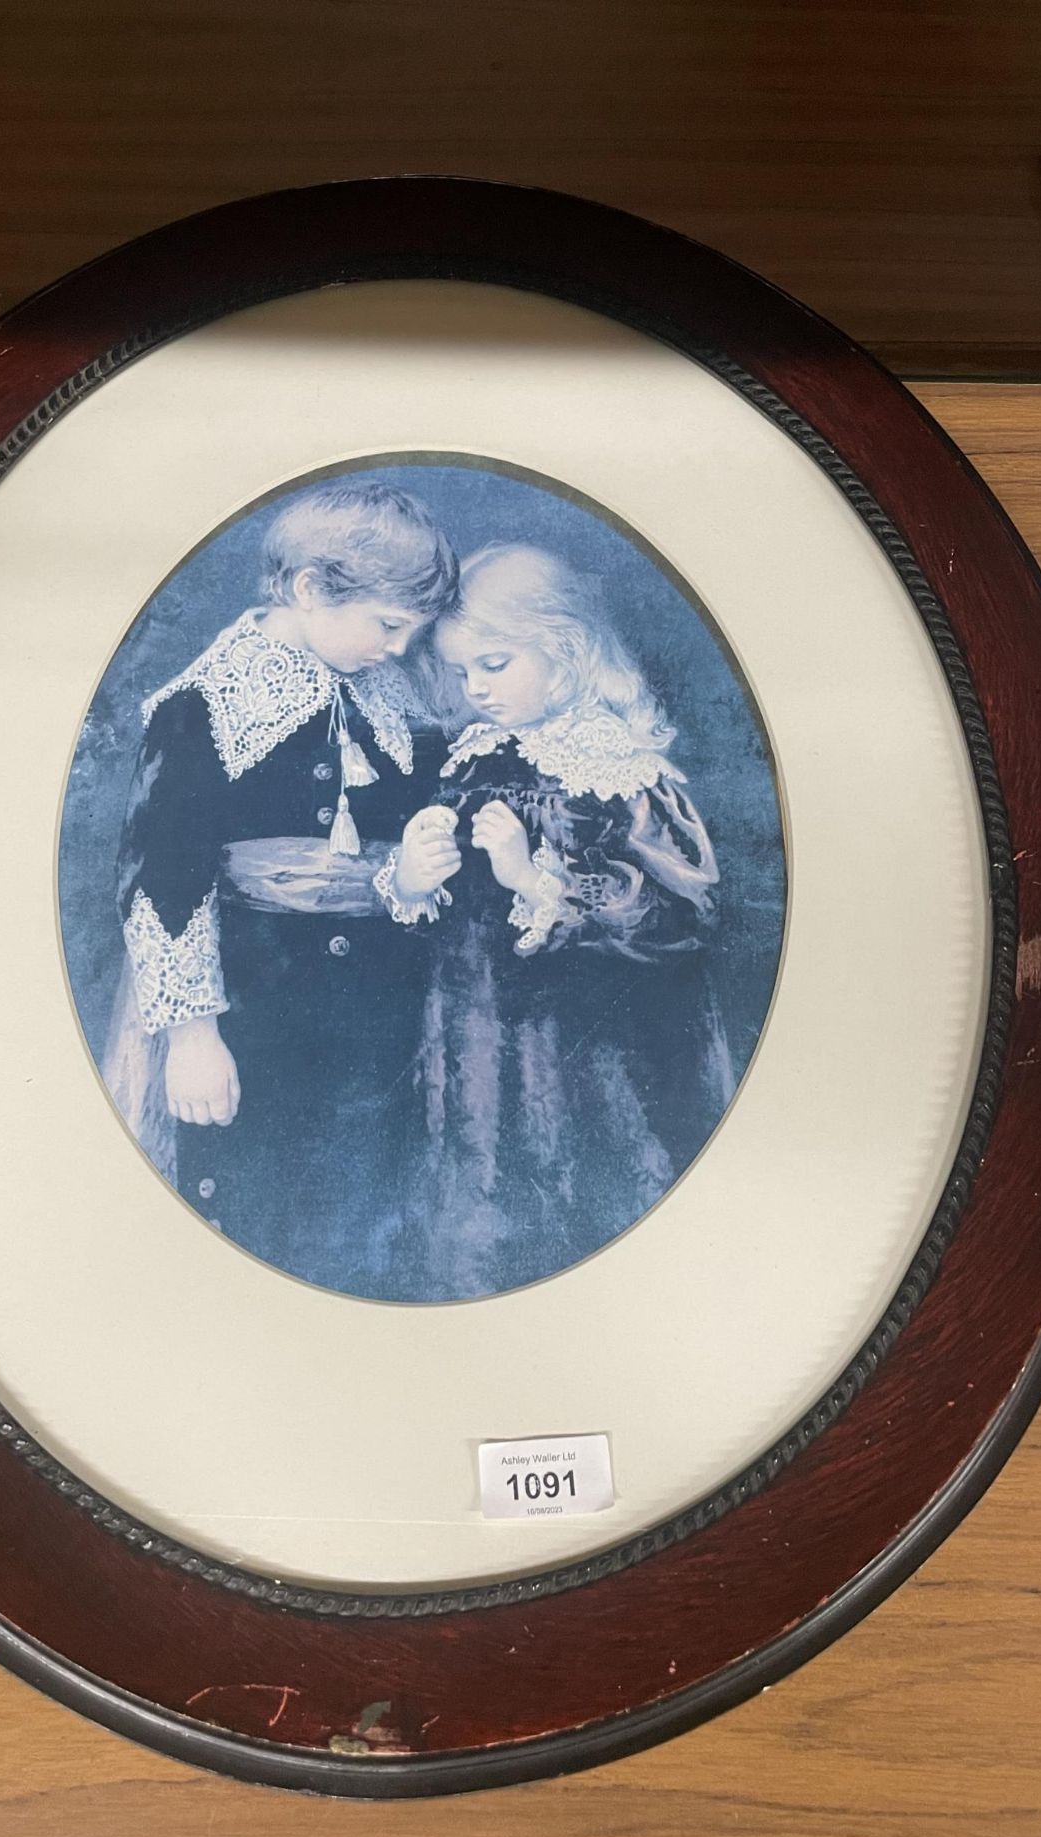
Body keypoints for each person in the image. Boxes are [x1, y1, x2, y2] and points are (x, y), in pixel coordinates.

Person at [103, 478, 461, 1295]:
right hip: (255, 1016)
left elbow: (416, 828)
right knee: (262, 1214)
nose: (400, 649)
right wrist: (193, 1037)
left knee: (372, 1216)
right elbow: (162, 875)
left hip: (380, 1015)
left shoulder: (390, 699)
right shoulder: (202, 706)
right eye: (389, 624)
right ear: (308, 590)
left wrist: (408, 872)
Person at [376, 543, 730, 1299]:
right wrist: (412, 876)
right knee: (474, 1227)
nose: (477, 691)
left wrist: (538, 880)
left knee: (587, 1224)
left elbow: (687, 913)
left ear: (567, 649)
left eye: (495, 665)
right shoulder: (474, 759)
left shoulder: (618, 769)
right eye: (464, 672)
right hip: (473, 1053)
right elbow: (443, 919)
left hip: (588, 1057)